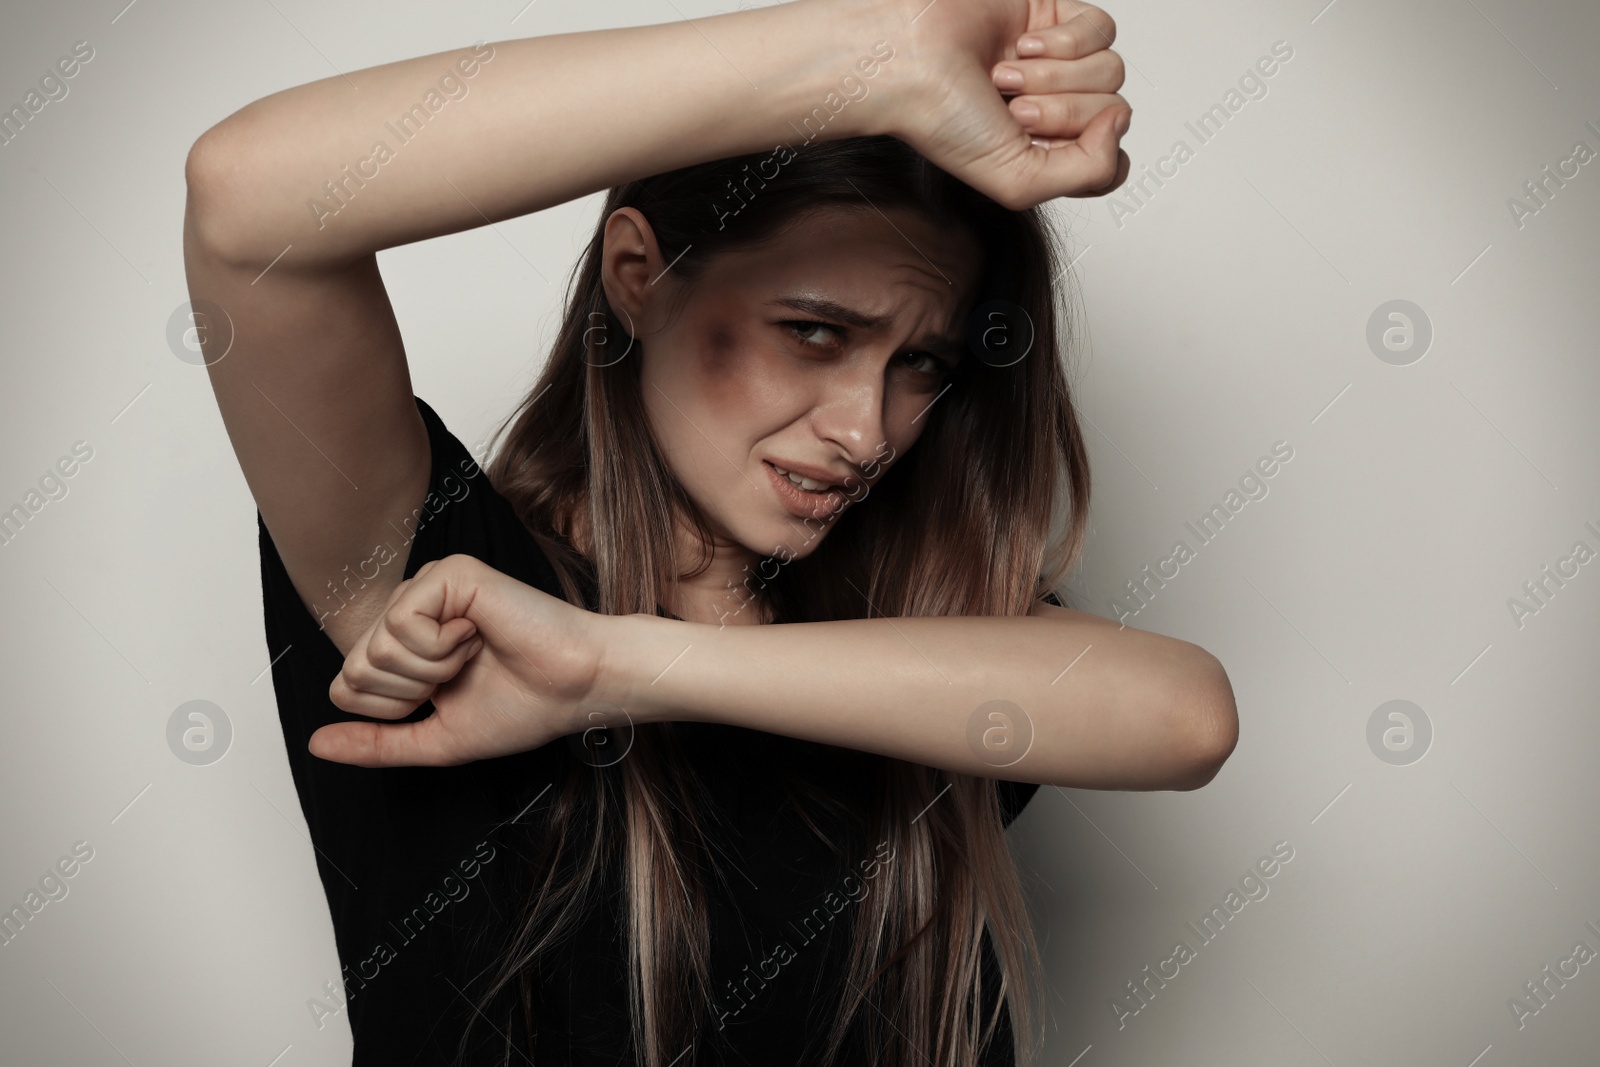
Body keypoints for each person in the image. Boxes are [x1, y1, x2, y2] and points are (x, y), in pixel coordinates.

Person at [181, 0, 1238, 1064]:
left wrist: (621, 665)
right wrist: (883, 53)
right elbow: (250, 201)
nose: (868, 429)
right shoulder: (438, 589)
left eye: (923, 362)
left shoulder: (901, 639)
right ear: (638, 277)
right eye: (814, 331)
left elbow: (1186, 715)